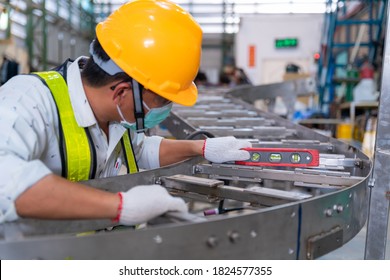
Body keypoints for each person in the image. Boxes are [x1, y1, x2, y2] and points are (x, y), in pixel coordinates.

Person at [0, 0, 251, 226]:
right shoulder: (27, 100)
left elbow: (141, 150)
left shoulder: (116, 115)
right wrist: (121, 207)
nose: (166, 108)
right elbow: (7, 184)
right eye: (162, 99)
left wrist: (201, 148)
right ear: (122, 91)